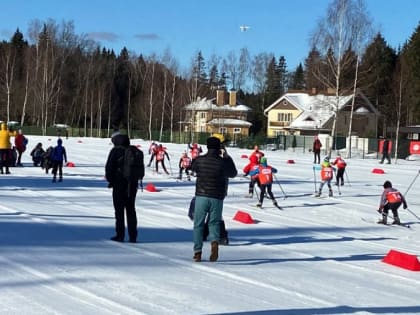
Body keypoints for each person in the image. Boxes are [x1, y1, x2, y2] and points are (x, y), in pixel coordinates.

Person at [191, 136, 237, 262]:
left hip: (201, 195)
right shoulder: (222, 162)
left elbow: (192, 168)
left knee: (198, 224)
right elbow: (233, 173)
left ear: (207, 146)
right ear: (219, 148)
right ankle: (215, 243)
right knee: (214, 222)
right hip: (217, 197)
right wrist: (227, 157)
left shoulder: (200, 160)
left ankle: (198, 252)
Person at [105, 132, 144, 243]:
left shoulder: (115, 151)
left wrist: (111, 180)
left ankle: (120, 234)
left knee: (119, 211)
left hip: (119, 184)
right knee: (131, 209)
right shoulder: (134, 150)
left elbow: (109, 168)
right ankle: (133, 236)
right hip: (132, 184)